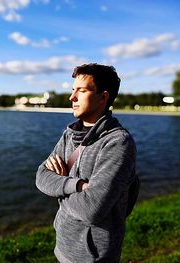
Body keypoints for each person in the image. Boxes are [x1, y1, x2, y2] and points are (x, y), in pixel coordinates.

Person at [35, 63, 139, 263]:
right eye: (73, 90)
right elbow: (41, 176)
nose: (71, 97)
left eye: (81, 91)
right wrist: (77, 185)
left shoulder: (118, 142)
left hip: (93, 257)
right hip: (63, 247)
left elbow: (91, 209)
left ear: (103, 96)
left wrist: (58, 187)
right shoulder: (70, 134)